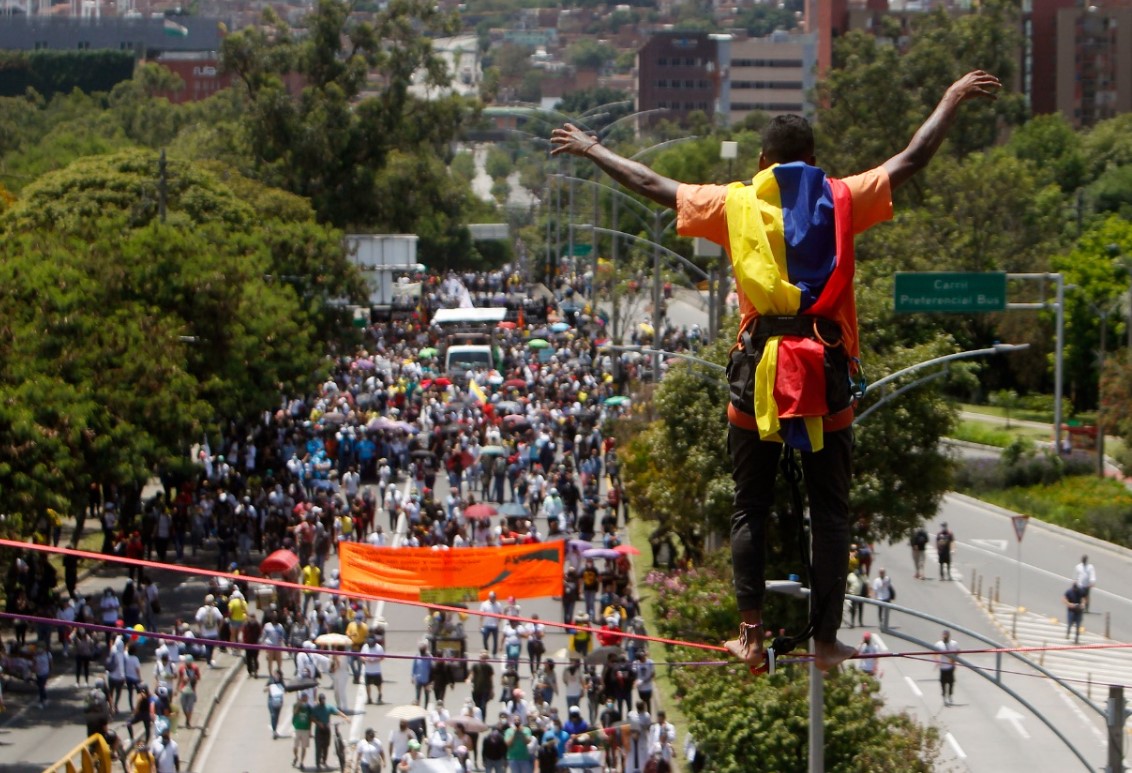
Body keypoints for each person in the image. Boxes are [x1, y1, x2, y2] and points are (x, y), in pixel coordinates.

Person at [551, 70, 1001, 674]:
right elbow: (912, 158)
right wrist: (948, 97)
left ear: (762, 161)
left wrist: (593, 149)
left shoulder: (734, 202)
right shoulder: (843, 196)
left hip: (755, 374)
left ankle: (751, 633)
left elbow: (653, 184)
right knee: (832, 511)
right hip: (827, 374)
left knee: (750, 506)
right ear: (814, 161)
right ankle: (825, 641)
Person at [311, 692, 349, 770]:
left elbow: (337, 712)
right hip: (319, 729)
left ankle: (324, 761)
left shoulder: (328, 707)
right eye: (321, 700)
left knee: (326, 746)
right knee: (318, 747)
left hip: (326, 729)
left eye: (323, 700)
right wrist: (318, 723)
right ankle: (318, 764)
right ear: (319, 700)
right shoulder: (316, 708)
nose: (323, 702)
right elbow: (311, 717)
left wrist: (345, 717)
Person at [935, 629, 960, 706]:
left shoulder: (954, 643)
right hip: (943, 667)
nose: (945, 637)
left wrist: (953, 659)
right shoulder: (939, 644)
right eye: (944, 635)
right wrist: (937, 660)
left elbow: (958, 651)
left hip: (950, 667)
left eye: (946, 635)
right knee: (943, 683)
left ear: (949, 636)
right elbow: (934, 653)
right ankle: (944, 697)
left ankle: (950, 695)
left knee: (951, 682)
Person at [361, 634, 385, 705]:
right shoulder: (365, 647)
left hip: (376, 670)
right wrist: (366, 659)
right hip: (368, 670)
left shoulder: (379, 648)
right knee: (367, 685)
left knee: (378, 684)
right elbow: (361, 655)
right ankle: (369, 698)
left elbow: (382, 657)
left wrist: (375, 660)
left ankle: (379, 694)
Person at [293, 692, 314, 770]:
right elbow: (294, 713)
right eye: (303, 697)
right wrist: (299, 705)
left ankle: (302, 762)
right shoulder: (296, 705)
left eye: (306, 697)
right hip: (297, 728)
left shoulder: (309, 707)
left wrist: (310, 731)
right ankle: (296, 756)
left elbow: (310, 719)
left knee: (304, 747)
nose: (305, 699)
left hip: (305, 729)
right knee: (295, 746)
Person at [266, 669, 287, 739]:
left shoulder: (281, 682)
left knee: (277, 717)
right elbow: (264, 689)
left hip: (279, 701)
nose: (276, 675)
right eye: (275, 674)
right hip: (271, 701)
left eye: (278, 674)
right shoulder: (271, 681)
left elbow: (285, 690)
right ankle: (274, 732)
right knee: (273, 715)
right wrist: (269, 688)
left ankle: (275, 729)